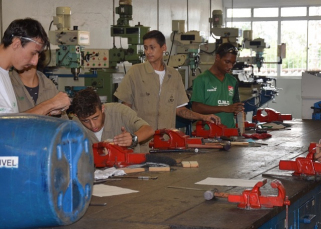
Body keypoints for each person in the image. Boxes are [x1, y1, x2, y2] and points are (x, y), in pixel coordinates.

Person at [114, 30, 220, 134]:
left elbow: (180, 110)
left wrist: (203, 117)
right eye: (146, 48)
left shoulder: (174, 76)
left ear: (163, 47)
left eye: (152, 47)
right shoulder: (135, 72)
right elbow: (125, 108)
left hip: (166, 141)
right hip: (141, 140)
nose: (148, 52)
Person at [0, 18, 70, 115]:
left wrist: (47, 111)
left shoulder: (4, 75)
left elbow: (12, 120)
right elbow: (6, 125)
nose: (35, 62)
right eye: (33, 53)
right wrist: (51, 104)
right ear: (16, 43)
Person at [72, 88, 154, 153]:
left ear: (102, 108)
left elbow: (149, 130)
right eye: (86, 121)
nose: (93, 125)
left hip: (128, 170)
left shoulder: (120, 112)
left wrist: (133, 139)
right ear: (77, 116)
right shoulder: (74, 125)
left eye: (95, 117)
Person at [191, 42, 244, 128]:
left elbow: (236, 105)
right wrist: (224, 108)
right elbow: (196, 107)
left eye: (233, 63)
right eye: (227, 62)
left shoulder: (232, 81)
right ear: (217, 57)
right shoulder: (202, 79)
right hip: (209, 133)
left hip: (230, 131)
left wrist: (239, 111)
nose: (230, 66)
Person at [10, 52, 68, 119]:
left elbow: (64, 124)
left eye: (33, 52)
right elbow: (7, 124)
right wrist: (50, 104)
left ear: (39, 55)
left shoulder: (49, 86)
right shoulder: (6, 85)